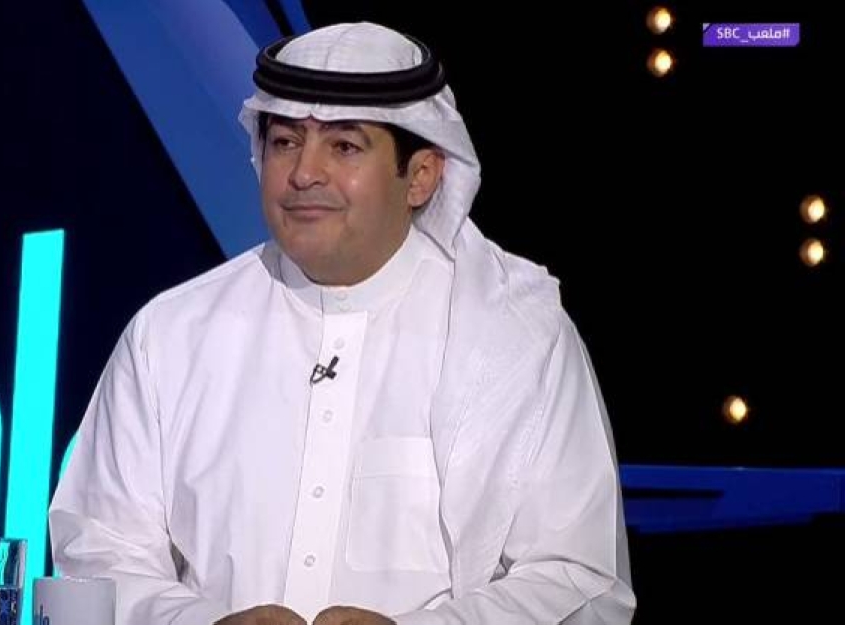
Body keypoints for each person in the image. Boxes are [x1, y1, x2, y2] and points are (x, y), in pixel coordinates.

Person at [49, 21, 636, 625]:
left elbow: (580, 581)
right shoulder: (171, 334)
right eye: (285, 142)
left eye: (344, 146)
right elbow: (98, 555)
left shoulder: (516, 338)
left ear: (422, 176)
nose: (304, 173)